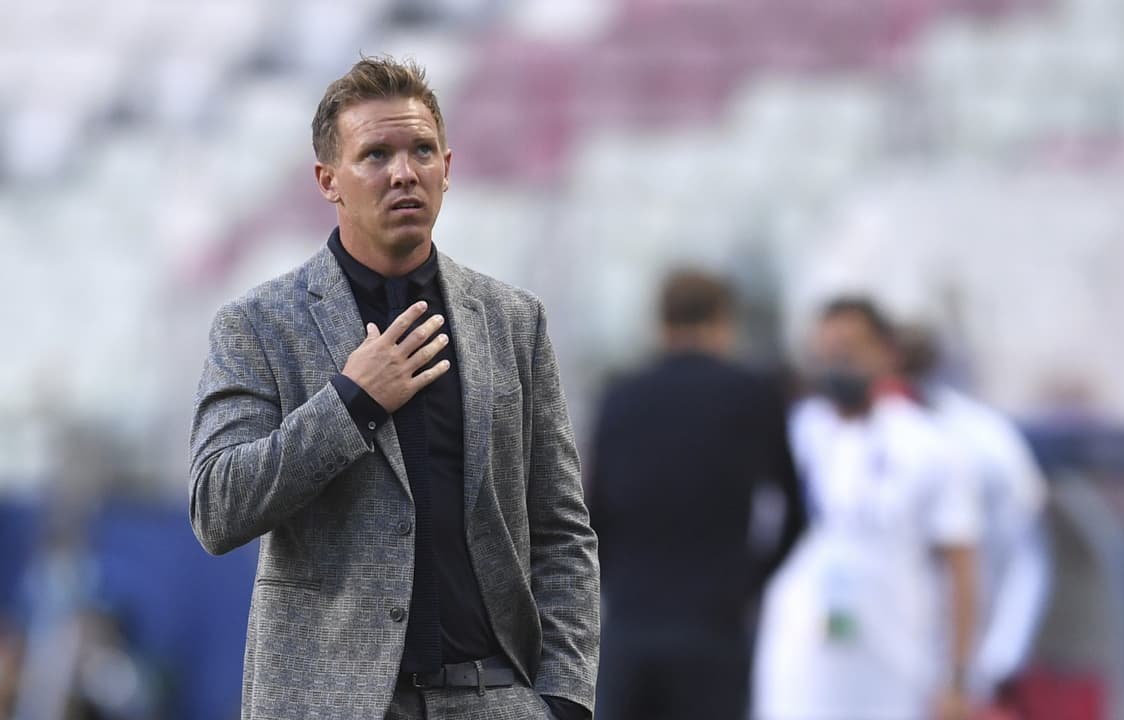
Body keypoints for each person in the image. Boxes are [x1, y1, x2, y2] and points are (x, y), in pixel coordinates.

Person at [189, 56, 599, 720]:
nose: (404, 172)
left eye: (421, 151)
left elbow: (560, 528)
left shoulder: (514, 322)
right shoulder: (258, 325)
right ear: (328, 180)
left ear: (448, 167)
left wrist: (565, 698)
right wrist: (350, 402)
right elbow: (217, 507)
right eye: (376, 155)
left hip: (493, 698)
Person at [587, 270, 807, 720]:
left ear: (661, 322)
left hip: (631, 620)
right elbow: (795, 511)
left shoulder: (621, 396)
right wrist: (749, 580)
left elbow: (593, 512)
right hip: (715, 624)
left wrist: (618, 582)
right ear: (722, 320)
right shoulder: (752, 394)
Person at [752, 297, 981, 720]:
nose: (836, 365)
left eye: (849, 351)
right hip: (800, 670)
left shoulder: (929, 443)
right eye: (825, 353)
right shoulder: (791, 436)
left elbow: (962, 567)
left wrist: (958, 677)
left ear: (886, 353)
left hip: (897, 671)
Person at [897, 325, 1051, 709]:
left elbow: (1026, 558)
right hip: (888, 655)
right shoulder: (852, 433)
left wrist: (998, 662)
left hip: (968, 656)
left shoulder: (984, 438)